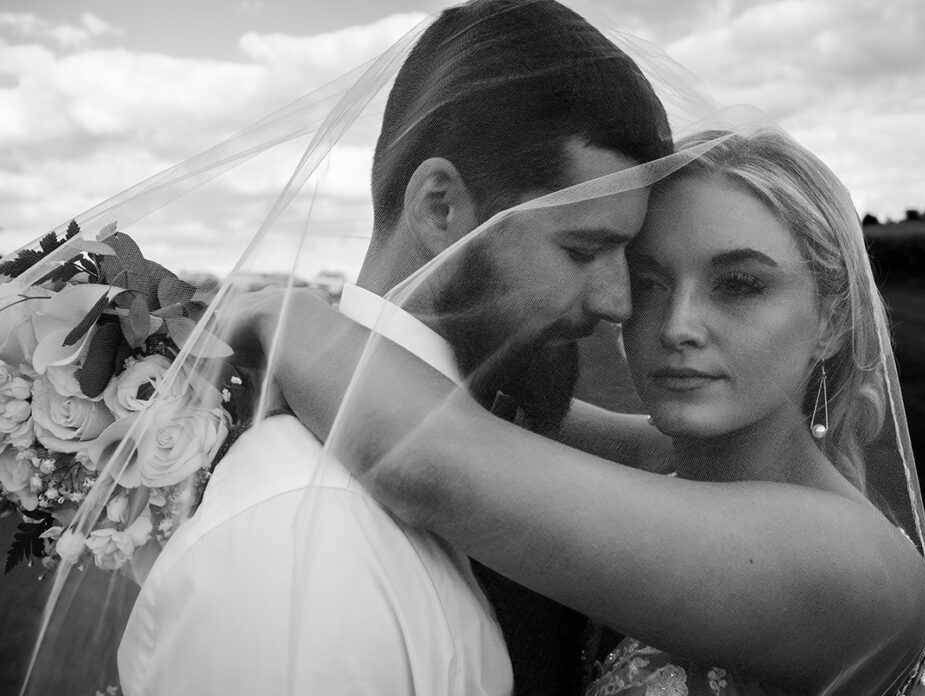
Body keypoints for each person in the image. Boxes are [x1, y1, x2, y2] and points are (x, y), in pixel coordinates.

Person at [248, 128, 925, 695]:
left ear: (830, 320)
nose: (677, 325)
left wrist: (274, 313)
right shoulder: (677, 463)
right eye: (648, 281)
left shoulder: (853, 568)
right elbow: (531, 417)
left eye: (739, 285)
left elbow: (435, 459)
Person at [111, 1, 676, 695]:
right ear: (440, 208)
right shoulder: (302, 546)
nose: (619, 303)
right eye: (583, 248)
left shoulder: (509, 452)